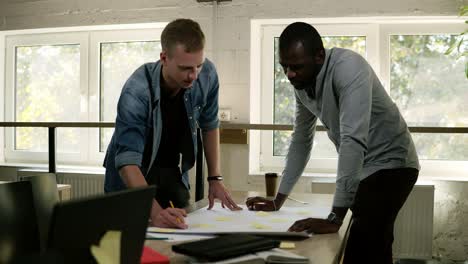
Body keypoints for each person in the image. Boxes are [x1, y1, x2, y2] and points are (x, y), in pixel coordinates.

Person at [246, 22, 420, 263]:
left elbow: (352, 141)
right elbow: (300, 141)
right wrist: (279, 199)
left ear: (319, 56)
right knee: (374, 245)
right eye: (284, 66)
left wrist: (334, 218)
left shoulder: (348, 67)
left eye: (296, 66)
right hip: (363, 168)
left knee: (362, 244)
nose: (289, 74)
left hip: (393, 165)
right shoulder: (302, 85)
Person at [104, 18, 241, 229]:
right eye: (185, 68)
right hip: (133, 176)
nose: (194, 76)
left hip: (170, 171)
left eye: (199, 66)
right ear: (164, 58)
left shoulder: (207, 75)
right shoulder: (136, 91)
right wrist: (156, 213)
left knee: (183, 232)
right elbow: (127, 161)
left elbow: (210, 124)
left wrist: (215, 178)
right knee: (133, 244)